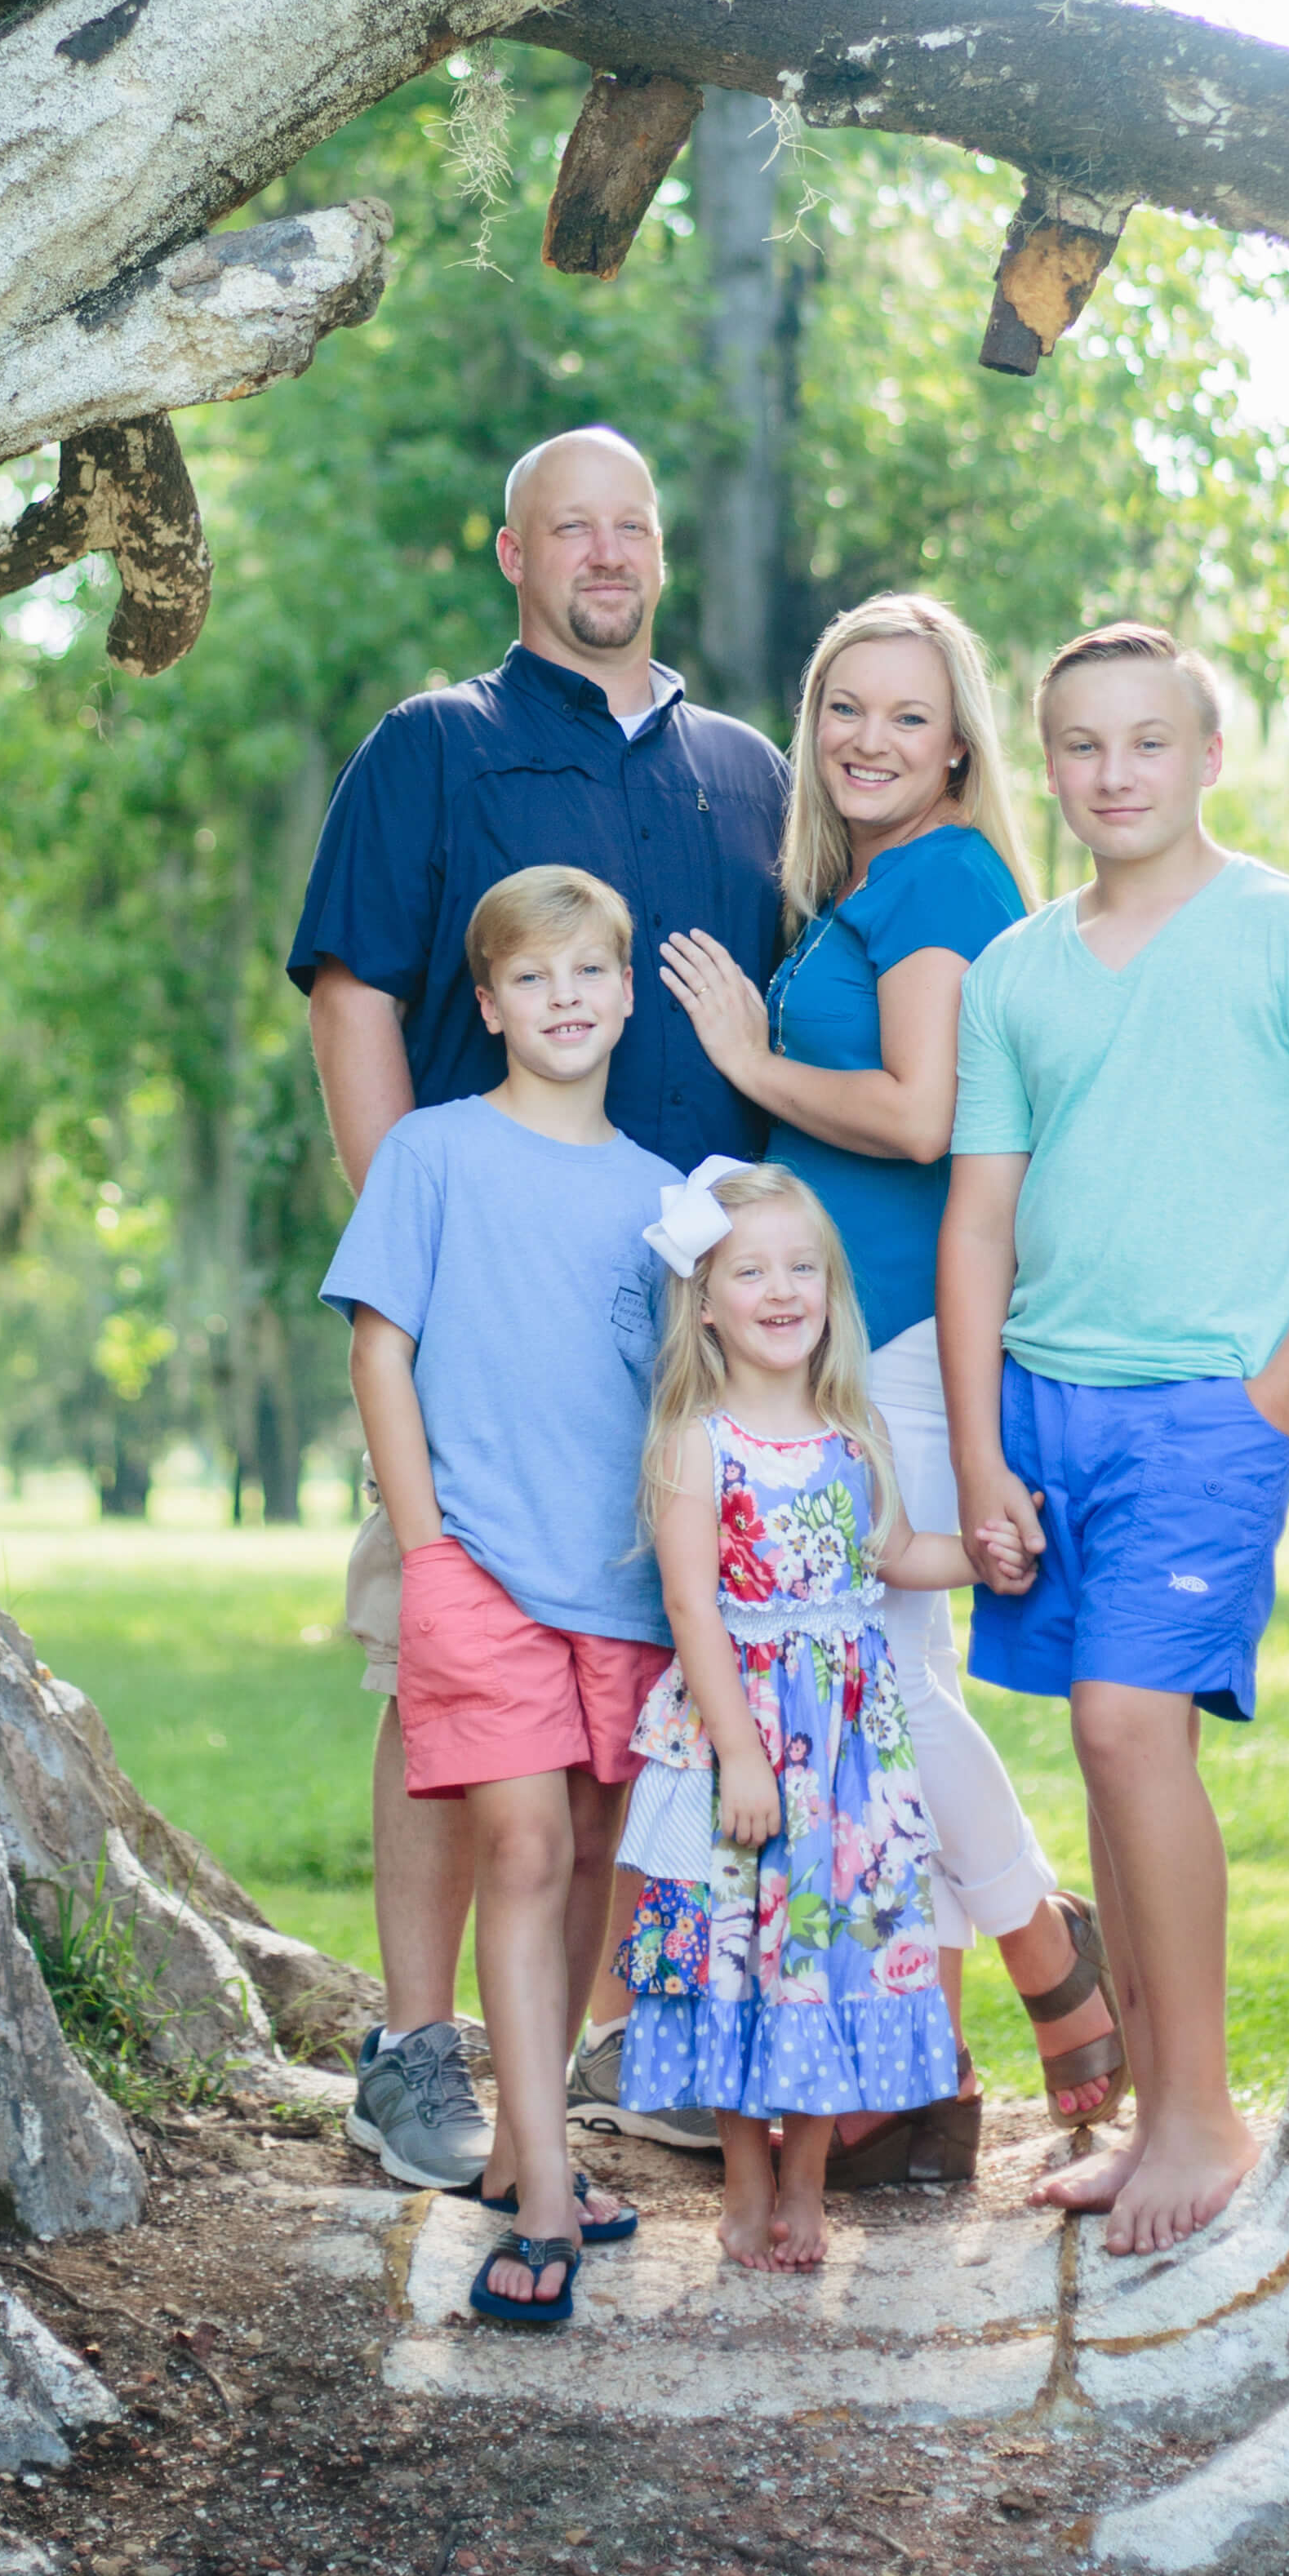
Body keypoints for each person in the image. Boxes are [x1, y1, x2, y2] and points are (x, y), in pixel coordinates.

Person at [288, 426, 788, 2187]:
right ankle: (415, 2047)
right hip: (487, 1320)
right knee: (450, 1682)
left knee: (629, 1703)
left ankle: (561, 2069)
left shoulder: (747, 768)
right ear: (512, 552)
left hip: (682, 1331)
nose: (605, 550)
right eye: (568, 525)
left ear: (659, 549)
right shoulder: (440, 744)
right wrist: (408, 1235)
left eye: (631, 524)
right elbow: (356, 990)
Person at [940, 623, 1289, 2256]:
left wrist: (1273, 1394)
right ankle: (1155, 2103)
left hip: (1205, 1409)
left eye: (1145, 741)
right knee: (1108, 1745)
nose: (1112, 773)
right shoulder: (1016, 968)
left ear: (1205, 753)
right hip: (1041, 1410)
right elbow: (978, 1218)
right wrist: (973, 1451)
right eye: (1078, 745)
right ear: (1048, 760)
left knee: (1124, 1719)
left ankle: (1200, 2117)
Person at [655, 592, 1125, 2175]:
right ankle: (916, 2091)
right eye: (844, 707)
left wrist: (748, 1064)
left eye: (907, 715)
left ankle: (1047, 1948)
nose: (868, 737)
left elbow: (924, 1115)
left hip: (909, 1339)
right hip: (838, 1338)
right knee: (879, 1685)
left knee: (878, 1687)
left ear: (957, 746)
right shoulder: (861, 886)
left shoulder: (942, 878)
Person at [324, 865, 680, 2325]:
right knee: (523, 1848)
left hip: (624, 1588)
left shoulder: (669, 1200)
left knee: (591, 1851)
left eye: (590, 974)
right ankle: (534, 2199)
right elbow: (381, 1355)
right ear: (487, 1006)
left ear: (627, 990)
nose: (566, 1001)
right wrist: (427, 1554)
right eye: (532, 981)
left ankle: (543, 2146)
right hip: (476, 1568)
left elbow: (681, 1401)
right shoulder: (435, 1156)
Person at [615, 1161, 989, 2269]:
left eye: (803, 1268)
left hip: (850, 1766)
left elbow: (901, 1555)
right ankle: (742, 2185)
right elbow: (691, 1604)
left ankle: (810, 2187)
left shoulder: (854, 1431)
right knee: (736, 1959)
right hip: (742, 1739)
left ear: (831, 1290)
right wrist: (739, 1755)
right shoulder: (699, 1442)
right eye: (752, 1271)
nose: (782, 1291)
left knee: (829, 1960)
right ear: (706, 1301)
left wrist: (989, 1556)